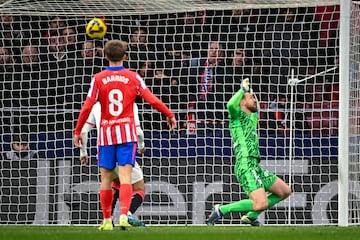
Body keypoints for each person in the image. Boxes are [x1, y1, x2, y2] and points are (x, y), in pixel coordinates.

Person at [73, 39, 176, 231]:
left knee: (106, 179)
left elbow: (87, 106)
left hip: (106, 135)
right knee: (126, 178)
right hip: (127, 134)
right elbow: (151, 99)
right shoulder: (133, 77)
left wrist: (78, 131)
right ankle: (123, 216)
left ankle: (106, 221)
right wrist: (169, 114)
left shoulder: (98, 78)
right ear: (125, 57)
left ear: (105, 57)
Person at [207, 78, 291, 226]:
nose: (254, 99)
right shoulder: (236, 117)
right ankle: (221, 209)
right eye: (250, 97)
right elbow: (230, 104)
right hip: (245, 164)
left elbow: (256, 108)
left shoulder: (251, 119)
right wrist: (242, 90)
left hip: (255, 166)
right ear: (242, 102)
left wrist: (251, 93)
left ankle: (250, 217)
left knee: (284, 191)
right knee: (260, 203)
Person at [79, 102, 146, 227]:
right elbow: (138, 131)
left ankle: (107, 220)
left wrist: (83, 152)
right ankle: (127, 214)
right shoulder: (130, 103)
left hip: (104, 150)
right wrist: (141, 146)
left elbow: (83, 132)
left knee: (111, 184)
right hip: (123, 148)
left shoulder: (97, 105)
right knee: (138, 188)